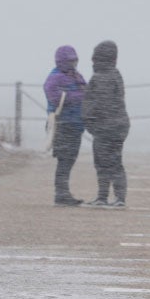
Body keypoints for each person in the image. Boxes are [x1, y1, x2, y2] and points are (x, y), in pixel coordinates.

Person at [81, 40, 130, 207]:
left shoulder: (101, 77)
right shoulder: (116, 74)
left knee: (103, 162)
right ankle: (119, 197)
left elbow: (98, 103)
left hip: (105, 127)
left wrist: (88, 120)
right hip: (118, 125)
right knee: (115, 161)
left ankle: (104, 196)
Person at [44, 45, 86, 206]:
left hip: (75, 123)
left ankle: (63, 192)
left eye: (75, 60)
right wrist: (78, 96)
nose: (73, 63)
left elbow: (86, 90)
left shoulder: (76, 75)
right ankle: (61, 193)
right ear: (62, 61)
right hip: (63, 123)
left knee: (70, 159)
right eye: (70, 60)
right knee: (64, 159)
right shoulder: (55, 77)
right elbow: (53, 96)